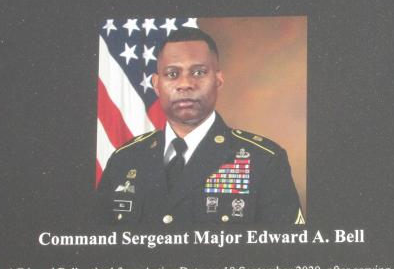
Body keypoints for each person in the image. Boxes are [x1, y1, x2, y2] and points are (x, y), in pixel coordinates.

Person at [99, 27, 302, 225]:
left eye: (198, 72)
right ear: (156, 84)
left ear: (218, 80)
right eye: (172, 74)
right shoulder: (124, 160)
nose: (185, 83)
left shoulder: (264, 161)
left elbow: (284, 253)